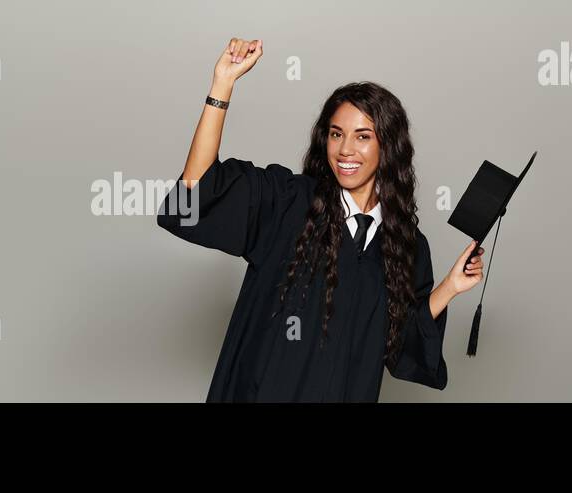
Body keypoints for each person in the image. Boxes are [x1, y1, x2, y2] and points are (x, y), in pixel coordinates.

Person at [158, 38, 485, 402]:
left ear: (388, 147)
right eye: (336, 134)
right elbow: (196, 190)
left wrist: (450, 288)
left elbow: (399, 345)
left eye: (363, 137)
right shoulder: (289, 202)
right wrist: (222, 86)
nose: (346, 150)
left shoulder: (404, 244)